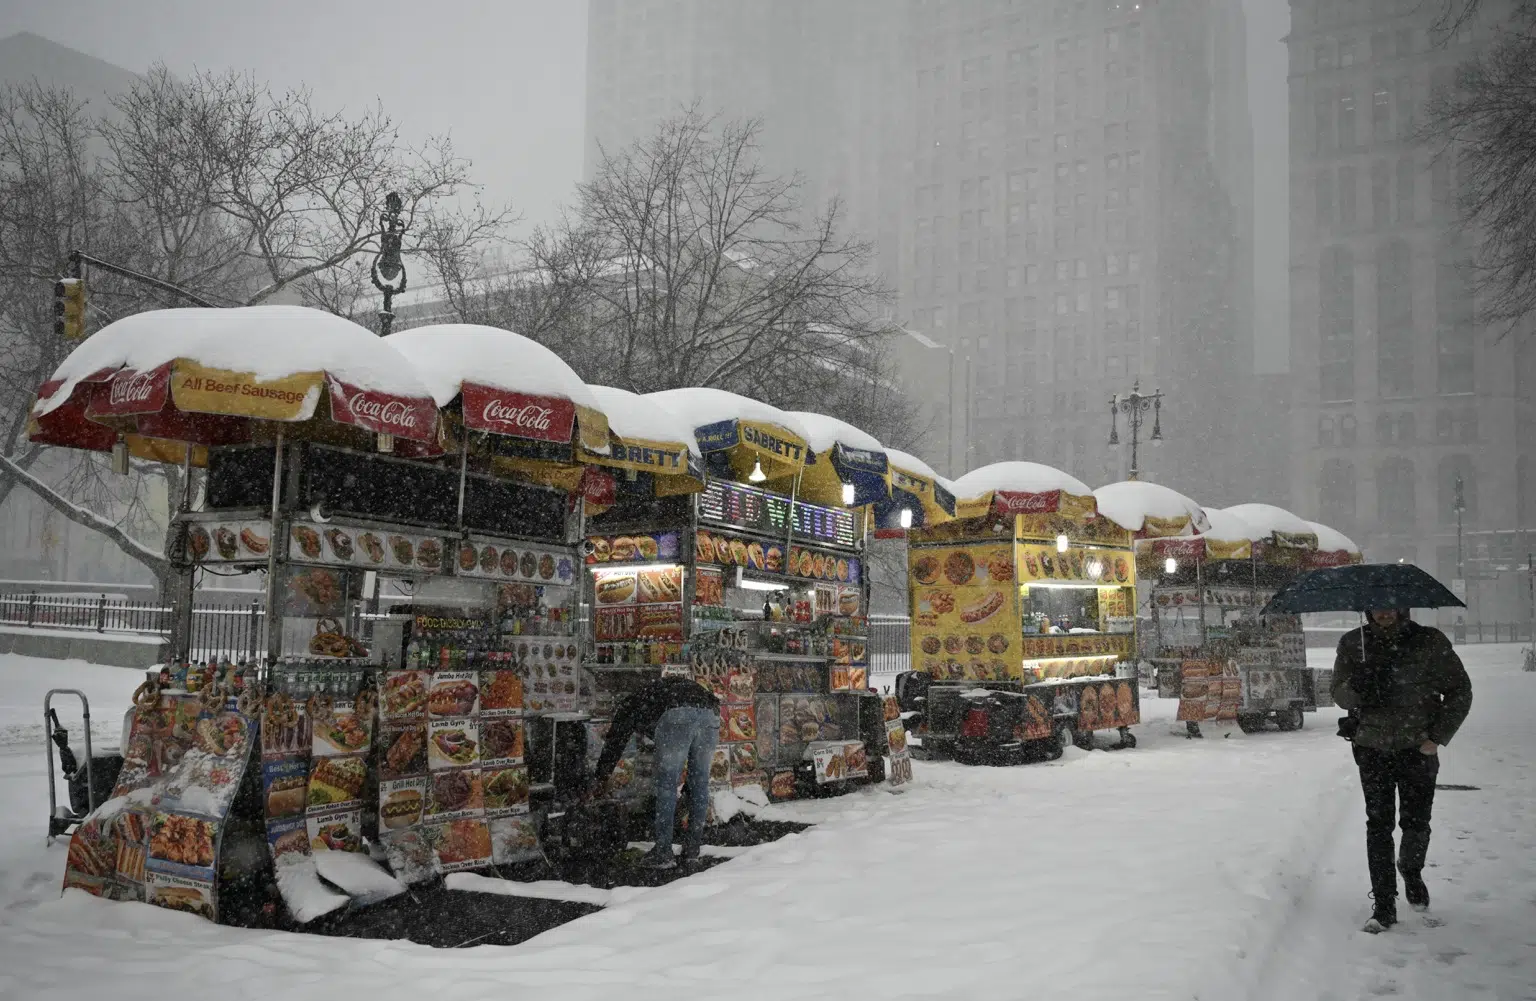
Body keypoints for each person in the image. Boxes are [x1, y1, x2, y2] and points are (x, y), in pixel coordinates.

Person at [1333, 609, 1472, 933]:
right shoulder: (1354, 644)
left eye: (1390, 604)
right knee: (1378, 825)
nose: (1383, 611)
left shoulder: (1428, 642)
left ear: (1403, 607)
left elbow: (1459, 690)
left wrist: (1437, 736)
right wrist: (1358, 682)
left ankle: (1410, 869)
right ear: (1367, 609)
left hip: (1417, 747)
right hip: (1373, 748)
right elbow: (1339, 695)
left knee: (1416, 821)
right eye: (1377, 605)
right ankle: (1384, 904)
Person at [586, 665, 720, 870]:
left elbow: (615, 742)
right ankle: (692, 850)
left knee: (666, 787)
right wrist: (688, 790)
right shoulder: (653, 695)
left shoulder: (629, 707)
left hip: (678, 714)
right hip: (710, 712)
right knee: (699, 783)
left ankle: (663, 853)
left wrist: (601, 777)